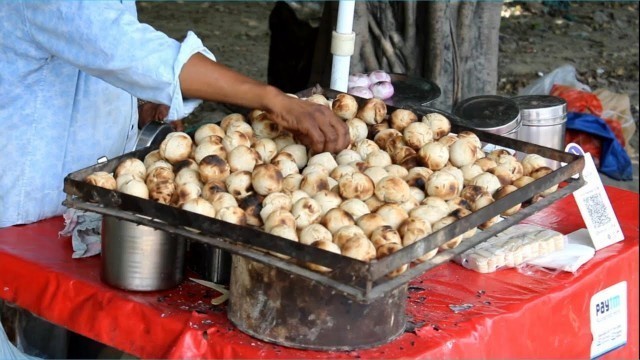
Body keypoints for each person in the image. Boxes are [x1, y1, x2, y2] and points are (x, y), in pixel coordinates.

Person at [0, 1, 350, 229]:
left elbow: (90, 50)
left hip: (84, 196)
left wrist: (133, 97)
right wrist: (272, 98)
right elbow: (125, 48)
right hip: (26, 207)